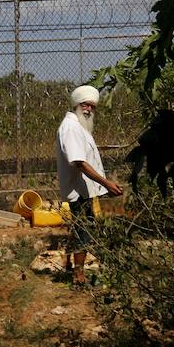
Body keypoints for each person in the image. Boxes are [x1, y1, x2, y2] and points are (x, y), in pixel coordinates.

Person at [56, 84, 123, 286]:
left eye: (92, 107)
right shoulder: (71, 128)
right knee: (83, 231)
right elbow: (78, 162)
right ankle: (79, 277)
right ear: (77, 104)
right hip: (79, 191)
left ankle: (73, 266)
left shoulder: (78, 127)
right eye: (86, 105)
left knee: (83, 229)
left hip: (84, 190)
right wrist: (106, 183)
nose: (89, 110)